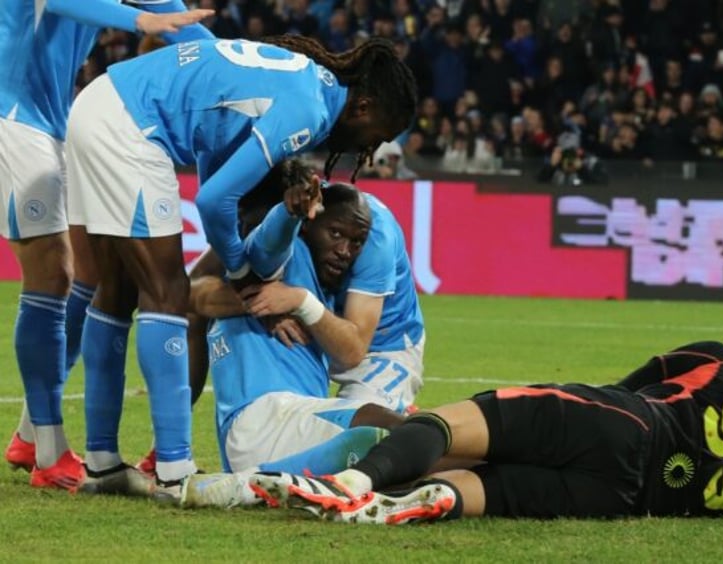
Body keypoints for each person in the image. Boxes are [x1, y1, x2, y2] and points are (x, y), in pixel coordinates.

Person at [65, 35, 417, 497]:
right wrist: (242, 275)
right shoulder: (311, 109)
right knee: (169, 293)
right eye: (379, 136)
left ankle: (102, 462)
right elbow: (213, 200)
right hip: (131, 127)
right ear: (363, 107)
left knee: (116, 291)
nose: (368, 150)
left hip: (102, 102)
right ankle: (174, 472)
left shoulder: (303, 77)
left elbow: (217, 162)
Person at [190, 329, 723, 523]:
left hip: (625, 427)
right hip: (621, 498)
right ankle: (405, 503)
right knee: (491, 488)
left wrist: (563, 413)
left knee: (449, 428)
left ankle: (358, 481)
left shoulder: (716, 362)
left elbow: (626, 391)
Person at [0, 0, 214, 491]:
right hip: (10, 114)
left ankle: (32, 431)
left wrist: (250, 72)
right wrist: (139, 21)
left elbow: (179, 22)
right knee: (52, 273)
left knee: (93, 274)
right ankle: (50, 453)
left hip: (58, 119)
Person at [194, 179, 406, 478]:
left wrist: (299, 301)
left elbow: (351, 351)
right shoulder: (285, 257)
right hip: (264, 418)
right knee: (395, 430)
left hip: (285, 426)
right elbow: (271, 240)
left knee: (407, 442)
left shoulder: (320, 289)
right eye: (335, 234)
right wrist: (288, 212)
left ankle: (263, 479)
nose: (345, 251)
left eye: (356, 243)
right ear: (308, 225)